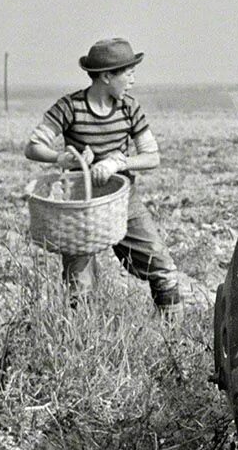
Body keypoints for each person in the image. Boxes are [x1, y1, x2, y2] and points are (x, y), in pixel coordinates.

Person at [25, 37, 188, 310]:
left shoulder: (129, 108)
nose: (133, 80)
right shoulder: (70, 107)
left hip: (123, 202)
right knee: (80, 286)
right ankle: (82, 344)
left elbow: (152, 157)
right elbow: (33, 147)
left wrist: (119, 163)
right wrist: (62, 158)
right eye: (128, 73)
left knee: (162, 267)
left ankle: (172, 341)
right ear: (106, 76)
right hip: (81, 207)